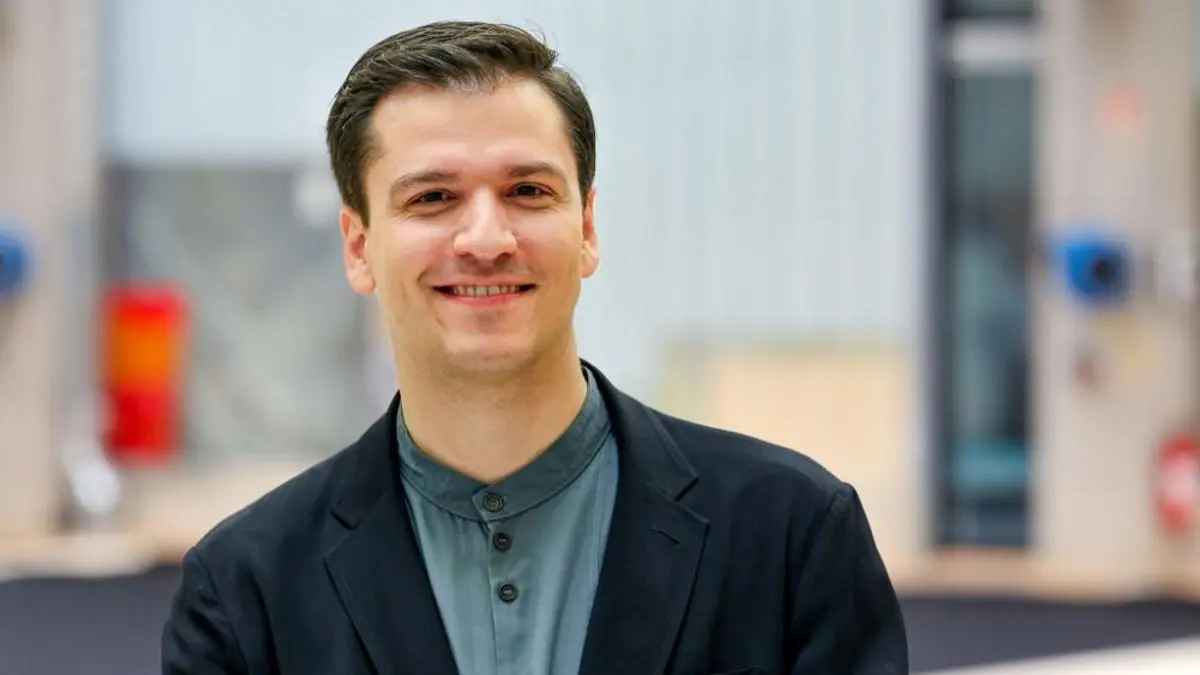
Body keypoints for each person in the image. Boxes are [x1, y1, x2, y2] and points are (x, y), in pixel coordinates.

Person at [161, 20, 908, 675]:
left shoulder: (792, 535)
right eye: (432, 198)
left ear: (587, 229)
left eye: (527, 191)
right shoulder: (243, 591)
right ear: (359, 247)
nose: (486, 239)